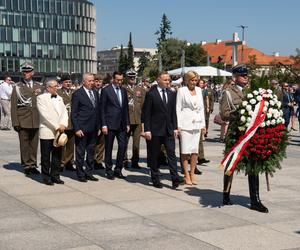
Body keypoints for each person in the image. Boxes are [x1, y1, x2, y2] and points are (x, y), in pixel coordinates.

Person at [220, 64, 268, 213]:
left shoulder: (253, 93)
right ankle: (226, 194)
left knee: (253, 166)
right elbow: (224, 114)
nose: (246, 78)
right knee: (230, 166)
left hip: (251, 135)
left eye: (246, 75)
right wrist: (241, 114)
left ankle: (255, 200)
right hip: (236, 134)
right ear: (235, 77)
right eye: (243, 75)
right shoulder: (228, 93)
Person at [143, 71, 184, 189]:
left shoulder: (172, 94)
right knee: (154, 155)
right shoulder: (151, 94)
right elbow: (147, 113)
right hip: (155, 130)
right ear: (158, 80)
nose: (168, 82)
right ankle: (155, 178)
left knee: (171, 154)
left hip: (168, 130)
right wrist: (147, 130)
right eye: (165, 80)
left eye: (169, 80)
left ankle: (175, 178)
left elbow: (173, 113)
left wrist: (175, 128)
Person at [11, 63, 43, 175]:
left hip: (36, 119)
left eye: (28, 71)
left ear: (32, 73)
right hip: (23, 119)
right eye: (24, 71)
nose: (26, 73)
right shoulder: (18, 87)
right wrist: (15, 122)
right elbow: (14, 106)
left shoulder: (39, 86)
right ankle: (26, 165)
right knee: (24, 144)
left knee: (34, 144)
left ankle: (33, 164)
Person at [176, 71, 205, 185]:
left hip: (197, 124)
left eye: (195, 80)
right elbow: (178, 108)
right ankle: (186, 174)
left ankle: (192, 173)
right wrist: (179, 126)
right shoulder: (181, 91)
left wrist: (203, 125)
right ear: (187, 80)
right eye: (192, 80)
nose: (194, 82)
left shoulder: (199, 90)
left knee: (194, 151)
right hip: (185, 124)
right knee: (185, 150)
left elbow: (202, 108)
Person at [37, 79, 68, 185]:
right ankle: (46, 177)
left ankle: (55, 175)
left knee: (57, 155)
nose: (57, 88)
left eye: (57, 86)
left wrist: (63, 124)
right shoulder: (41, 98)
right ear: (48, 87)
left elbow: (64, 112)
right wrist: (57, 126)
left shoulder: (59, 98)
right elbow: (45, 115)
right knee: (46, 156)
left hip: (59, 131)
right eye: (54, 86)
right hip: (47, 130)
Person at [100, 71, 130, 180]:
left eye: (121, 80)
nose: (119, 82)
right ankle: (109, 170)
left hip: (122, 124)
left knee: (123, 146)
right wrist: (103, 124)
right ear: (113, 79)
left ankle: (118, 169)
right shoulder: (106, 90)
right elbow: (102, 109)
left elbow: (125, 108)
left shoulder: (123, 90)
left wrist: (127, 122)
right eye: (117, 80)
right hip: (110, 124)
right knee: (109, 147)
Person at [71, 73, 100, 182]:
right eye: (89, 81)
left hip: (93, 128)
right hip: (82, 128)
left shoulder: (95, 93)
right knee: (80, 152)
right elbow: (73, 113)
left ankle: (89, 172)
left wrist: (99, 127)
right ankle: (80, 174)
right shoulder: (77, 94)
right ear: (84, 82)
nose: (92, 83)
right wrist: (77, 128)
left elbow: (97, 111)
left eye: (93, 80)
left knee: (91, 152)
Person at [123, 69, 146, 169]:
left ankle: (135, 161)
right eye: (130, 77)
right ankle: (124, 160)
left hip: (138, 119)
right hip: (127, 119)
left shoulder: (140, 89)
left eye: (133, 77)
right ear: (127, 78)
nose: (132, 79)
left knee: (136, 143)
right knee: (124, 142)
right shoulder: (123, 88)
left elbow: (144, 104)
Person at [57, 74, 76, 171]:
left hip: (72, 122)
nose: (68, 84)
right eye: (66, 82)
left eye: (69, 82)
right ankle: (61, 163)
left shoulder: (74, 92)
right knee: (61, 144)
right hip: (62, 122)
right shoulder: (58, 93)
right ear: (61, 83)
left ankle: (69, 162)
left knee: (70, 145)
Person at [93, 74, 105, 170]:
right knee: (92, 142)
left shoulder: (105, 91)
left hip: (103, 120)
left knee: (101, 143)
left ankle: (99, 161)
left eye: (99, 81)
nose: (98, 83)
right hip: (93, 121)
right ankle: (92, 159)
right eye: (96, 81)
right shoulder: (91, 91)